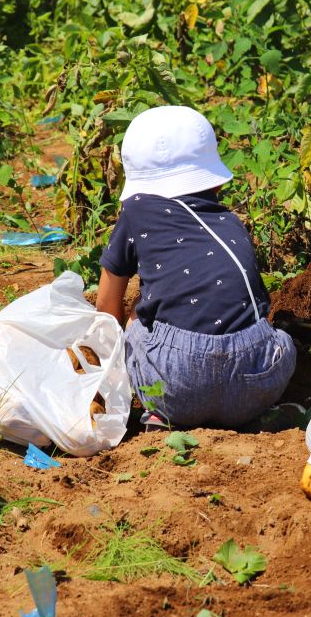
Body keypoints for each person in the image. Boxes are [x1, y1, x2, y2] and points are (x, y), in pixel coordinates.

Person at [96, 105, 296, 428]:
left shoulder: (136, 212)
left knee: (136, 313)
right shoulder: (231, 221)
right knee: (282, 342)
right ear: (214, 182)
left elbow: (106, 308)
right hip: (257, 379)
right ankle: (245, 409)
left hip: (178, 387)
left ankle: (160, 411)